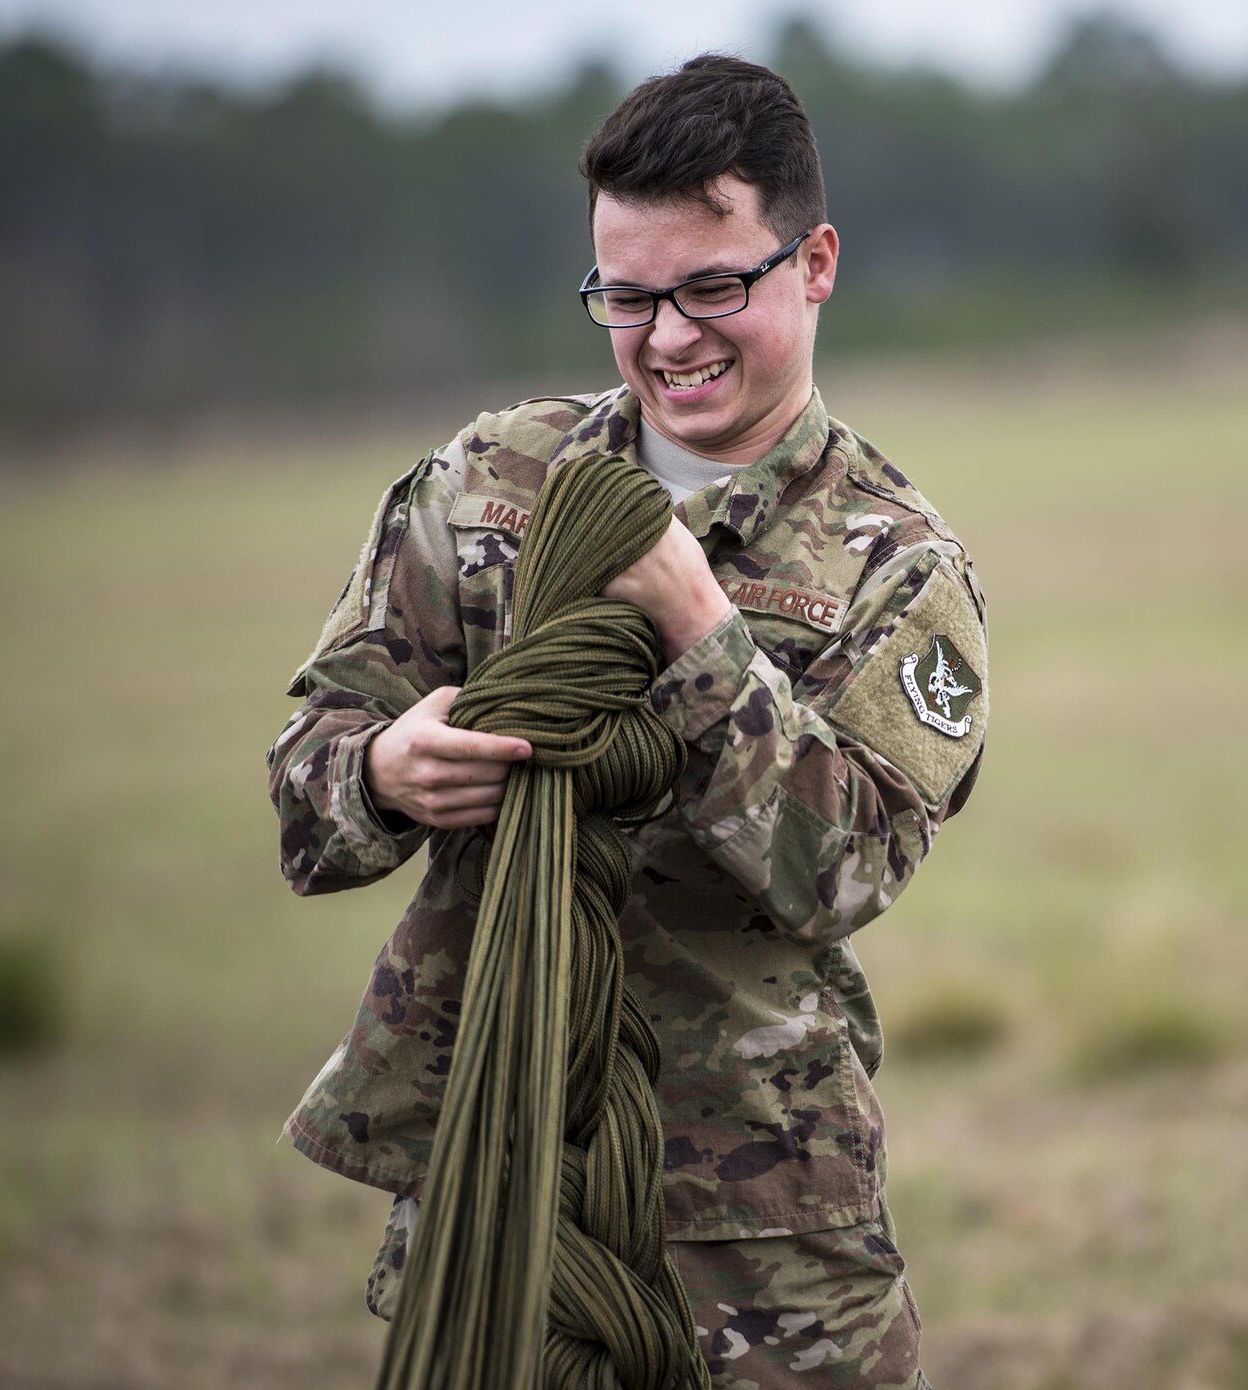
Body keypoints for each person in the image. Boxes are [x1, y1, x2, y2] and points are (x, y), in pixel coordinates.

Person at [265, 54, 986, 1390]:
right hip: (500, 1190)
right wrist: (385, 766)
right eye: (627, 294)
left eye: (714, 286)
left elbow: (845, 868)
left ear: (814, 263)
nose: (668, 338)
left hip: (764, 1232)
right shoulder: (485, 488)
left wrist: (697, 624)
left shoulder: (895, 565)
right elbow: (307, 800)